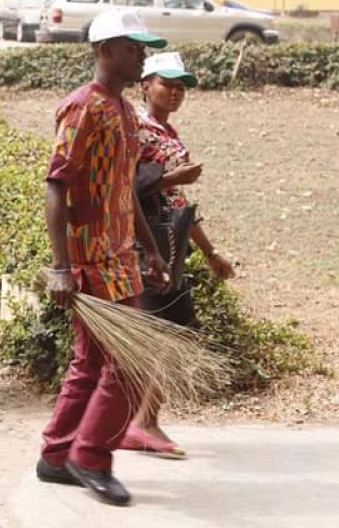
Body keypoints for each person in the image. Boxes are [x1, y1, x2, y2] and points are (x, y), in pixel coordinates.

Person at [36, 8, 170, 506]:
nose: (141, 56)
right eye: (133, 48)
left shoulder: (125, 111)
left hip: (121, 256)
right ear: (105, 50)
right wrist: (61, 266)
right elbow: (56, 186)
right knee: (131, 362)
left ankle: (56, 455)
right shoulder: (83, 107)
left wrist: (151, 251)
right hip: (92, 260)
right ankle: (90, 456)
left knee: (91, 361)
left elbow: (125, 188)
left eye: (142, 48)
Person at [119, 51, 235, 457]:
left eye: (181, 86)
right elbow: (125, 189)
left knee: (168, 333)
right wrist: (174, 176)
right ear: (144, 85)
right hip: (145, 243)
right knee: (162, 335)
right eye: (166, 84)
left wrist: (210, 253)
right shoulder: (135, 127)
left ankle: (138, 419)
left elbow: (177, 199)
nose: (175, 92)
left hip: (169, 239)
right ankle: (142, 422)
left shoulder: (166, 131)